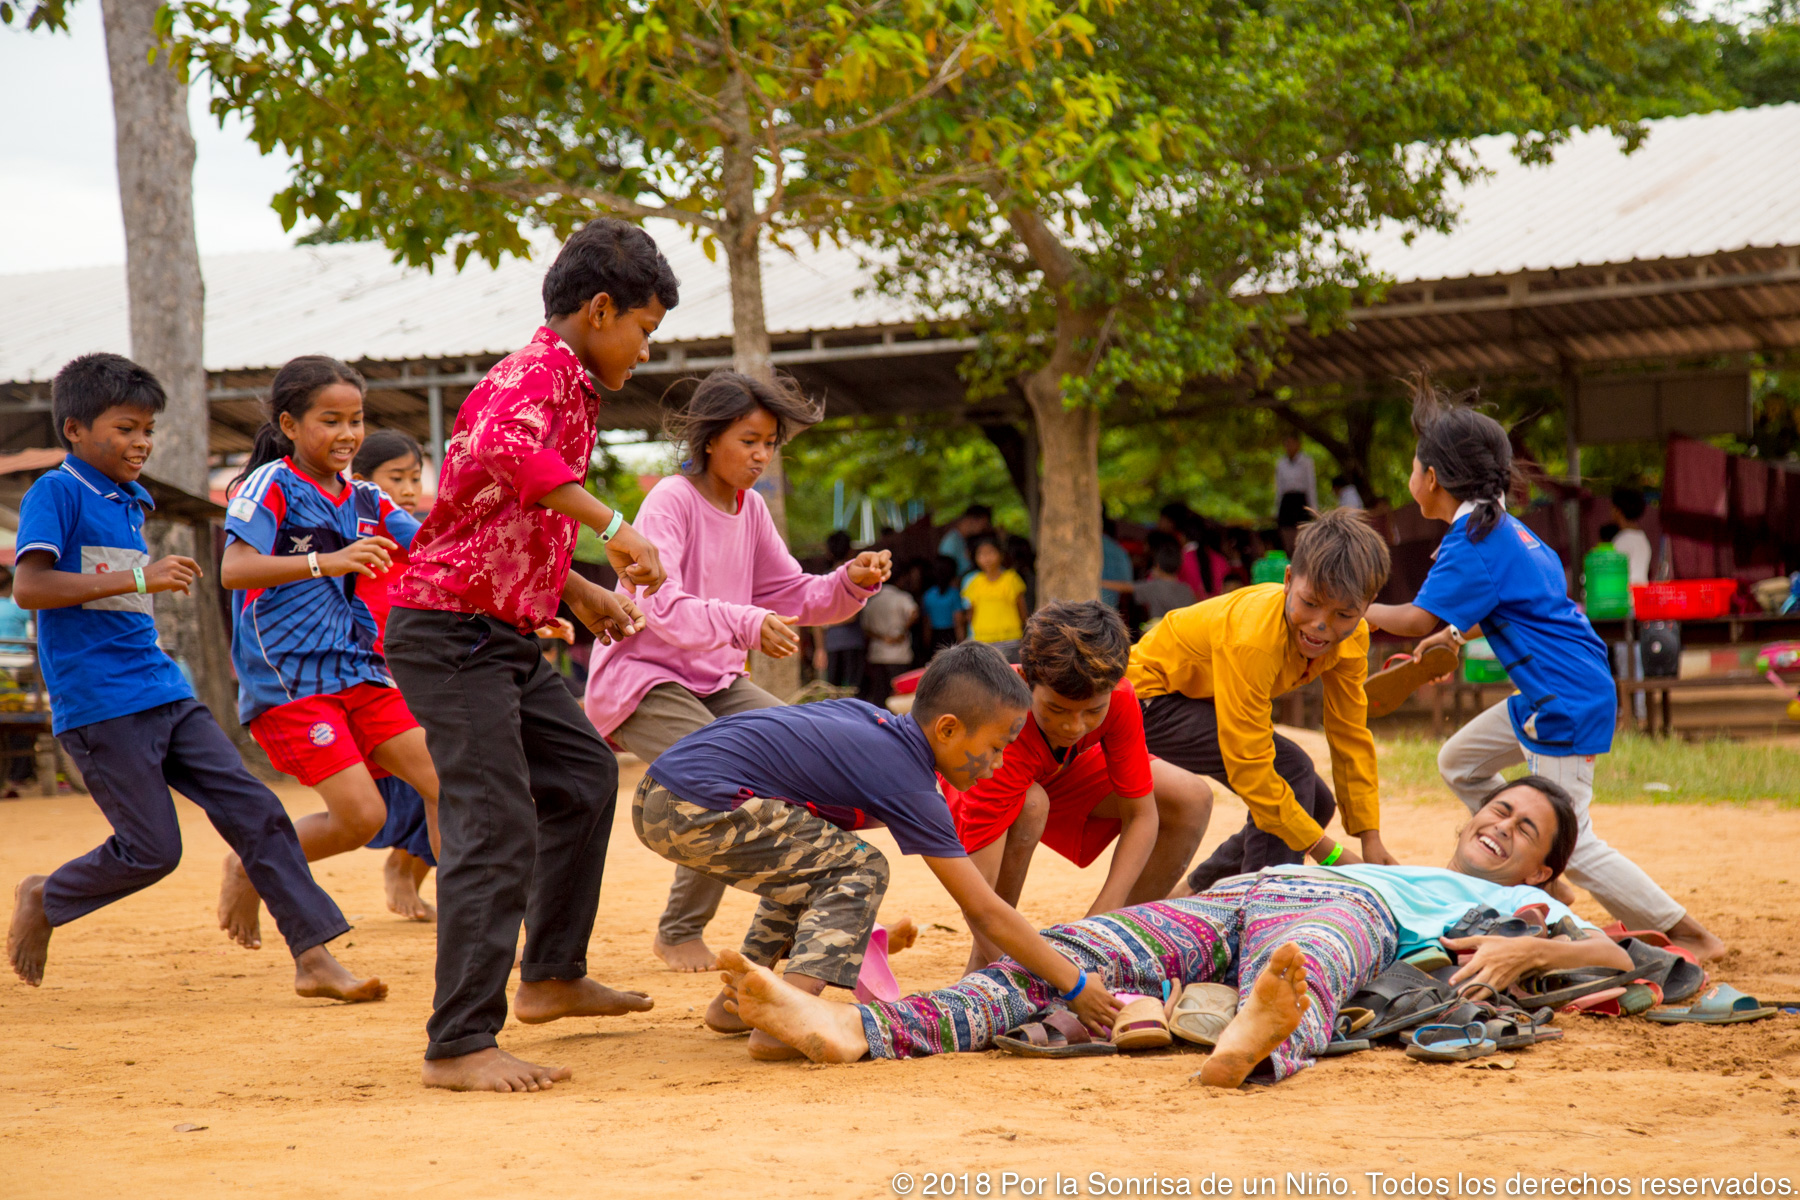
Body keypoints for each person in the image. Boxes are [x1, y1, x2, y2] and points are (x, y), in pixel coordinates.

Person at [718, 776, 1633, 1089]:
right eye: (1500, 808)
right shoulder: (1384, 856)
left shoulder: (1540, 910)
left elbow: (1623, 956)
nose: (1502, 826)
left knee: (1306, 958)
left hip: (1353, 916)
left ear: (1543, 873)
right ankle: (856, 1029)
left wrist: (1536, 946)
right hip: (1259, 886)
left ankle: (1254, 1039)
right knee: (1067, 957)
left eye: (1525, 833)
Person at [383, 218, 673, 1093]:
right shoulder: (537, 371)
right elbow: (514, 458)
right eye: (644, 329)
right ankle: (459, 1042)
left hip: (501, 632)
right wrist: (617, 528)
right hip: (449, 632)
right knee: (495, 819)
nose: (646, 350)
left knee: (584, 772)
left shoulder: (571, 385)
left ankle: (550, 975)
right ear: (598, 310)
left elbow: (508, 511)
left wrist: (578, 591)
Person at [5, 353, 382, 1002]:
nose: (140, 443)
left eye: (147, 430)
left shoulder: (132, 499)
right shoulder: (58, 492)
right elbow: (31, 585)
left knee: (256, 810)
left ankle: (314, 956)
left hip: (164, 688)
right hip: (100, 703)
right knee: (152, 850)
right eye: (124, 429)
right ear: (74, 430)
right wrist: (140, 577)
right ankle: (46, 893)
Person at [1364, 378, 1724, 964]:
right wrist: (1450, 637)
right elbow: (1505, 609)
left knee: (1573, 835)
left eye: (1412, 468)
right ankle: (1542, 873)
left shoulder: (1472, 542)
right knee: (1459, 761)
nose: (1411, 479)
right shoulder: (1506, 529)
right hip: (1553, 688)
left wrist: (1345, 609)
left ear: (1430, 478)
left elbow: (1410, 618)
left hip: (1563, 698)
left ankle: (1687, 932)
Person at [636, 641, 1127, 1060]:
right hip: (692, 802)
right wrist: (1076, 983)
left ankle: (739, 1001)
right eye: (997, 746)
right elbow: (983, 908)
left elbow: (805, 858)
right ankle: (789, 1018)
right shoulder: (907, 780)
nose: (998, 765)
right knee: (862, 867)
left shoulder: (874, 724)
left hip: (666, 791)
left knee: (821, 863)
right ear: (949, 729)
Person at [582, 369, 890, 974]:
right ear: (708, 438)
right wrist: (747, 624)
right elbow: (657, 605)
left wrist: (850, 582)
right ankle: (679, 931)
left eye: (770, 442)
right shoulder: (671, 498)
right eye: (749, 439)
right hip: (644, 675)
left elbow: (794, 592)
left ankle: (795, 913)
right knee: (716, 778)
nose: (761, 455)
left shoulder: (749, 509)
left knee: (806, 762)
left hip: (717, 679)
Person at [218, 357, 444, 947]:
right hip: (291, 680)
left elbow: (438, 553)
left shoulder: (368, 497)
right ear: (290, 425)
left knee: (448, 779)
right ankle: (250, 865)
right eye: (331, 420)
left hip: (362, 672)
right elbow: (233, 570)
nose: (347, 434)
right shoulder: (269, 485)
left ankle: (470, 921)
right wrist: (328, 560)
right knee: (362, 817)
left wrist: (530, 606)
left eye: (356, 420)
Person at [1130, 507, 1396, 892]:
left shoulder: (1353, 639)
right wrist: (1330, 854)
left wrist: (1370, 837)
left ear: (1366, 607)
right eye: (1310, 603)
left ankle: (1198, 890)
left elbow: (1349, 732)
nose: (1321, 624)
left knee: (1316, 804)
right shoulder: (1254, 639)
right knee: (1291, 772)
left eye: (1343, 613)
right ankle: (1259, 908)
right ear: (1288, 580)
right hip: (1149, 699)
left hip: (1202, 696)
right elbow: (1250, 768)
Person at [943, 601, 1213, 974]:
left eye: (1092, 712)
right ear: (1026, 684)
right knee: (1030, 806)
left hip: (1057, 771)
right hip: (996, 774)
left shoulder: (1116, 697)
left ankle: (1114, 945)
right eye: (1056, 710)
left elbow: (1141, 815)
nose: (1074, 726)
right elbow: (976, 890)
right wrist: (1041, 980)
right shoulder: (994, 730)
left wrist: (1098, 923)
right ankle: (991, 968)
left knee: (1190, 797)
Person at [349, 428, 438, 921]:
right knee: (420, 787)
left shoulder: (421, 537)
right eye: (395, 478)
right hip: (377, 680)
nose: (407, 489)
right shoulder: (351, 540)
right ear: (361, 483)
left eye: (414, 478)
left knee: (444, 783)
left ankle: (409, 871)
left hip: (426, 672)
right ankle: (401, 870)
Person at [815, 529, 869, 691]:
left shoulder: (822, 579)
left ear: (828, 552)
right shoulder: (856, 578)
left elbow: (815, 617)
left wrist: (820, 648)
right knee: (852, 692)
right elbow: (853, 615)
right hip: (851, 643)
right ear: (851, 551)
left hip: (831, 644)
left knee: (832, 694)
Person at [860, 571, 919, 707]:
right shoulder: (902, 597)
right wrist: (903, 629)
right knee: (900, 695)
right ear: (900, 580)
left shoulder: (872, 601)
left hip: (877, 654)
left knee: (879, 695)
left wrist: (882, 637)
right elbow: (914, 612)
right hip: (899, 655)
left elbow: (865, 629)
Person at [962, 535, 1028, 645]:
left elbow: (1022, 610)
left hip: (1010, 637)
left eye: (991, 553)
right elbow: (971, 614)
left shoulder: (1011, 579)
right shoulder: (974, 583)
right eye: (981, 554)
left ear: (1001, 555)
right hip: (983, 639)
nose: (987, 558)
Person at [1131, 536, 1197, 627]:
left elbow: (1125, 587)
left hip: (1159, 631)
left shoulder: (1155, 586)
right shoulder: (1187, 589)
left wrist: (1104, 582)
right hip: (1181, 631)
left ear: (1157, 566)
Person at [1275, 434, 1318, 553]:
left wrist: (1313, 509)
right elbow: (1279, 488)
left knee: (1302, 540)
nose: (1289, 446)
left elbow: (1311, 486)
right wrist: (1277, 509)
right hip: (1286, 501)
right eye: (1287, 443)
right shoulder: (1281, 463)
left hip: (1300, 501)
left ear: (1298, 445)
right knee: (1288, 540)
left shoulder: (1306, 462)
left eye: (1292, 443)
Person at [921, 554, 968, 651]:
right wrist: (962, 643)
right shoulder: (954, 594)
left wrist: (926, 644)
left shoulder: (928, 595)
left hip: (935, 637)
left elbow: (927, 623)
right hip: (951, 636)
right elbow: (958, 621)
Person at [1609, 486, 1653, 585]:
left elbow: (1613, 574)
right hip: (1641, 594)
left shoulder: (1622, 540)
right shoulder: (1642, 538)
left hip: (1627, 596)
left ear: (1618, 511)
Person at [937, 504, 992, 579]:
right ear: (973, 520)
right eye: (984, 524)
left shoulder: (964, 540)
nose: (984, 528)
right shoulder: (951, 542)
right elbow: (944, 570)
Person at [1099, 516, 1134, 610]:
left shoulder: (1083, 547)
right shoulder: (1120, 551)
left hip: (1081, 609)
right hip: (1110, 612)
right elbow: (1127, 584)